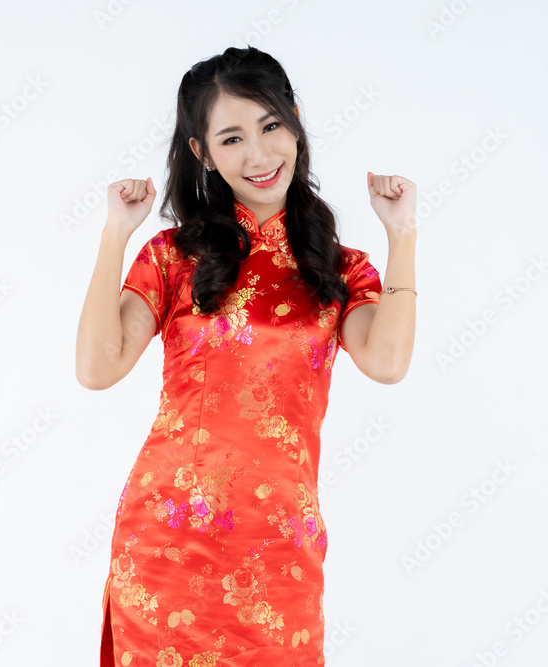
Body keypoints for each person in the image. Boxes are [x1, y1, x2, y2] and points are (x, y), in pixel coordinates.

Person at [75, 46, 417, 666]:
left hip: (280, 550)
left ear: (294, 121)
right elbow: (97, 369)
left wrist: (402, 234)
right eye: (231, 139)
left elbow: (387, 362)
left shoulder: (340, 270)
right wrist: (115, 233)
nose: (258, 155)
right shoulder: (174, 257)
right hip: (168, 543)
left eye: (270, 126)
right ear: (202, 153)